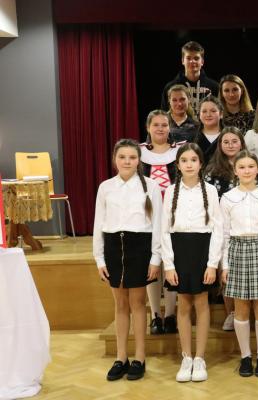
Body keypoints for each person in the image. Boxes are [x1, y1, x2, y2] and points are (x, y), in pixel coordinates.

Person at [93, 139, 162, 381]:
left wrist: (156, 257)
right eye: (122, 157)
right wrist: (99, 258)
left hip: (140, 246)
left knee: (138, 302)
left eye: (132, 157)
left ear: (139, 160)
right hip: (113, 246)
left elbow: (157, 223)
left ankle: (139, 357)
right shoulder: (106, 187)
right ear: (115, 159)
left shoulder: (151, 186)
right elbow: (99, 223)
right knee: (120, 303)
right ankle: (121, 357)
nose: (127, 161)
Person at [162, 143, 223, 382]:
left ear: (201, 163)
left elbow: (217, 229)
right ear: (178, 165)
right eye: (184, 160)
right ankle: (186, 357)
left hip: (202, 249)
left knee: (201, 302)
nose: (189, 164)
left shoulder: (211, 191)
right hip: (179, 250)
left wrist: (212, 263)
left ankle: (199, 358)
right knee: (184, 304)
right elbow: (164, 229)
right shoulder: (170, 191)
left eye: (193, 160)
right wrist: (169, 264)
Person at [220, 150, 258, 377]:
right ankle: (245, 356)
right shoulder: (227, 198)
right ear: (235, 171)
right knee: (241, 307)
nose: (246, 171)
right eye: (242, 167)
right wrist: (225, 265)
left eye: (250, 166)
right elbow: (224, 234)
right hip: (237, 250)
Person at [140, 110, 182, 335]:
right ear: (148, 127)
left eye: (164, 125)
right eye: (155, 124)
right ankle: (155, 315)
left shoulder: (179, 150)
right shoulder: (138, 152)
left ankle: (171, 314)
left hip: (175, 216)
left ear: (170, 127)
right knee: (153, 265)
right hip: (147, 217)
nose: (160, 128)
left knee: (171, 264)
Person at [203, 127, 246, 331]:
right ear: (220, 145)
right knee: (226, 271)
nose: (230, 145)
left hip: (246, 226)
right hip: (222, 228)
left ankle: (245, 313)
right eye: (226, 142)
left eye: (234, 141)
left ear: (241, 143)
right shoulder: (211, 171)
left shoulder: (249, 165)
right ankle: (232, 312)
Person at [161, 41, 219, 116]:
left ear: (202, 62)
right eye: (188, 58)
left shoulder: (214, 87)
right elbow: (164, 115)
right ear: (182, 61)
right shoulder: (170, 87)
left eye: (196, 58)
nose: (192, 61)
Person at [193, 95, 224, 163]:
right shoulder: (192, 137)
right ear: (199, 115)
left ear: (221, 114)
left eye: (213, 111)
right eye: (204, 111)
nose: (208, 115)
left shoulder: (229, 135)